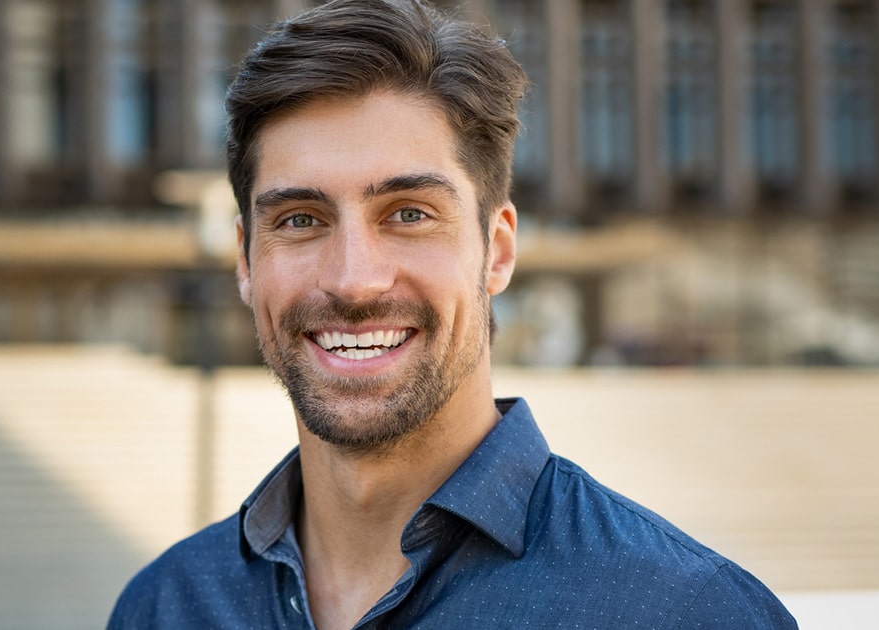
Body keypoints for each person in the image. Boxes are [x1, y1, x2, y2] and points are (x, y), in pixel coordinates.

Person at [108, 0, 797, 628]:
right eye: (300, 219)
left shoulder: (684, 612)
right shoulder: (165, 607)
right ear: (245, 260)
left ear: (496, 252)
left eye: (409, 214)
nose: (354, 280)